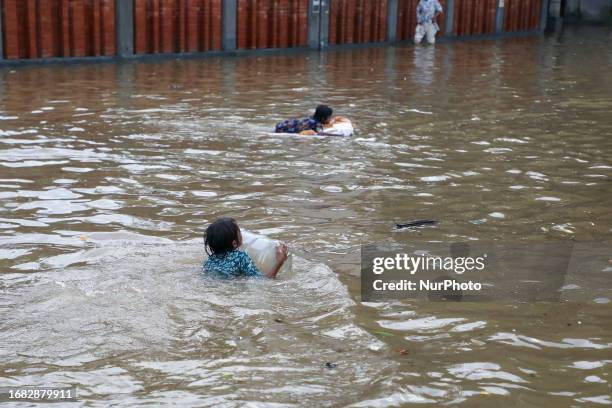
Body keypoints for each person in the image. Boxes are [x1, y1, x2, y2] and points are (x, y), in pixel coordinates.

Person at [202, 218, 288, 279]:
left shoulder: (209, 261)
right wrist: (279, 262)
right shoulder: (240, 257)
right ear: (234, 243)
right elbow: (263, 281)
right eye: (239, 232)